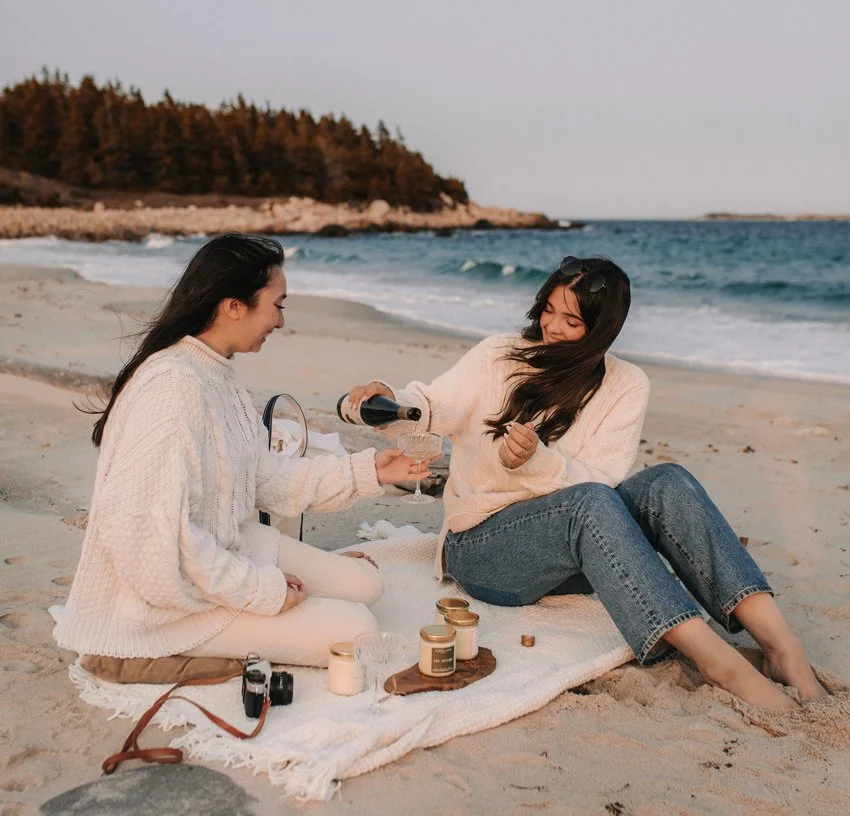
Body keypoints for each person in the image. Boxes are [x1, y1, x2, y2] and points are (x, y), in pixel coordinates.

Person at [348, 255, 828, 710]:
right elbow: (432, 406)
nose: (553, 327)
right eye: (550, 311)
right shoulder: (500, 355)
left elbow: (604, 479)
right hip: (483, 548)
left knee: (668, 482)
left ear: (602, 331)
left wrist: (538, 460)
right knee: (589, 504)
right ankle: (722, 666)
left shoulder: (626, 384)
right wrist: (389, 398)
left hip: (574, 548)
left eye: (572, 322)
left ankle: (780, 647)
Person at [55, 233, 428, 667]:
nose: (281, 321)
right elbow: (153, 547)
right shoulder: (173, 388)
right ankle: (177, 644)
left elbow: (265, 479)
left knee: (367, 585)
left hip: (226, 548)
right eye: (278, 304)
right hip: (168, 602)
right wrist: (262, 590)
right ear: (234, 306)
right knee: (357, 629)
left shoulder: (218, 375)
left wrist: (371, 471)